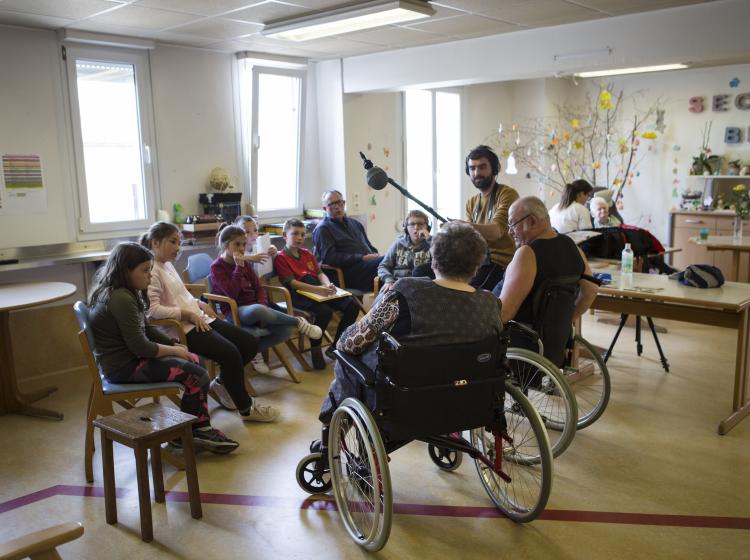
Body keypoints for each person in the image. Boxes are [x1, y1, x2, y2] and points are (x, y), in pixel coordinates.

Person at [316, 221, 503, 432]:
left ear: (434, 260)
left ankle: (331, 428)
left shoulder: (406, 292)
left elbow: (350, 342)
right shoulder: (491, 303)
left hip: (405, 400)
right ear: (477, 266)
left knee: (345, 357)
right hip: (467, 400)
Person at [87, 242, 239, 453]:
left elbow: (146, 330)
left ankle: (196, 429)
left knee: (195, 361)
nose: (150, 276)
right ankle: (189, 434)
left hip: (129, 360)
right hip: (123, 367)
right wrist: (175, 351)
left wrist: (173, 344)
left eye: (150, 269)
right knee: (195, 374)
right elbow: (141, 347)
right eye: (145, 270)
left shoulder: (125, 292)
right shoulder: (121, 298)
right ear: (125, 270)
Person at [141, 222, 279, 422]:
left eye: (179, 242)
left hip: (198, 318)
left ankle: (222, 383)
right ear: (155, 243)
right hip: (180, 329)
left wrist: (197, 302)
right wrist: (187, 314)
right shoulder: (151, 270)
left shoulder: (167, 264)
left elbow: (178, 294)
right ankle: (246, 408)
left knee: (248, 342)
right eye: (173, 242)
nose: (178, 247)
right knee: (230, 353)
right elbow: (152, 311)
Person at [209, 225, 323, 372]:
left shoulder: (246, 263)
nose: (242, 248)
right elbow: (232, 293)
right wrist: (238, 268)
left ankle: (254, 351)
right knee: (258, 310)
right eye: (237, 244)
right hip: (235, 311)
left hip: (256, 309)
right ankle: (298, 321)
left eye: (244, 244)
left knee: (286, 330)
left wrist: (263, 305)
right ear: (225, 245)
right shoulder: (217, 267)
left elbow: (258, 288)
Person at [499, 196, 598, 365]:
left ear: (531, 221)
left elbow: (503, 315)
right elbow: (591, 291)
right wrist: (563, 323)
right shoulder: (572, 247)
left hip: (522, 344)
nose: (510, 231)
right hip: (551, 347)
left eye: (512, 224)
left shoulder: (527, 253)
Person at [275, 218, 359, 370]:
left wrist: (327, 284)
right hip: (299, 295)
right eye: (295, 234)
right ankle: (315, 347)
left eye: (302, 234)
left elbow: (320, 274)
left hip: (319, 291)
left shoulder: (307, 254)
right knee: (324, 312)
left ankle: (336, 346)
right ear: (284, 235)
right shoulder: (281, 257)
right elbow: (293, 284)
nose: (300, 238)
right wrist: (319, 289)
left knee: (352, 305)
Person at [463, 145, 520, 292]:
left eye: (482, 167)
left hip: (500, 263)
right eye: (472, 168)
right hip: (476, 262)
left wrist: (463, 226)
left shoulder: (507, 194)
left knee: (465, 293)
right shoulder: (471, 202)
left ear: (494, 169)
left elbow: (496, 232)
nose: (476, 173)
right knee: (425, 273)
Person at [312, 189, 382, 292]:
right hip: (346, 273)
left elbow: (368, 245)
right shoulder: (323, 229)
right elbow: (331, 258)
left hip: (366, 267)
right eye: (332, 204)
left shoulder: (355, 223)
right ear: (324, 208)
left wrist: (375, 254)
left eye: (340, 202)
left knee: (393, 263)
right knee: (388, 266)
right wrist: (361, 258)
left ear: (344, 203)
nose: (337, 206)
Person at [377, 209, 434, 293]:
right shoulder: (397, 244)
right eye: (412, 224)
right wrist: (388, 280)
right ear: (406, 228)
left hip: (424, 290)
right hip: (398, 288)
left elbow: (443, 264)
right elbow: (383, 266)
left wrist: (429, 239)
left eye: (420, 224)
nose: (416, 227)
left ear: (427, 227)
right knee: (380, 304)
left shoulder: (434, 245)